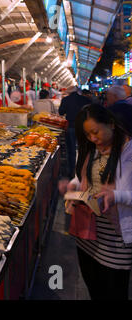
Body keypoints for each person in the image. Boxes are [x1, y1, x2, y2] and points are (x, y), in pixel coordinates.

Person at [60, 104, 132, 300]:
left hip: (115, 241)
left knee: (114, 292)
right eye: (87, 134)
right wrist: (74, 185)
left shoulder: (129, 151)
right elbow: (84, 177)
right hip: (87, 234)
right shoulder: (93, 148)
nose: (92, 138)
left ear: (111, 124)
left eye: (95, 132)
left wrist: (116, 196)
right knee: (94, 287)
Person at [58, 86, 92, 178]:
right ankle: (84, 171)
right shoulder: (85, 99)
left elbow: (61, 112)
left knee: (71, 150)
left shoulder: (66, 99)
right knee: (84, 149)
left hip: (71, 127)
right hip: (84, 127)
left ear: (69, 92)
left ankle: (72, 172)